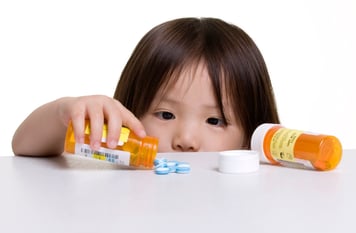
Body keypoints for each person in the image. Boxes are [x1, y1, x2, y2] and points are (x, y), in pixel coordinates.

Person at [12, 17, 280, 156]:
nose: (185, 140)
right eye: (165, 115)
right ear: (128, 113)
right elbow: (23, 145)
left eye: (214, 120)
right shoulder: (119, 158)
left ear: (252, 138)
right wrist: (65, 113)